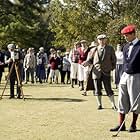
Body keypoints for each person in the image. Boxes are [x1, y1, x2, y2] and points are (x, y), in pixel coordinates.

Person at [110, 24, 140, 132]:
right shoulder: (126, 47)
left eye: (127, 35)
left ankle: (133, 124)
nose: (125, 37)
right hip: (125, 75)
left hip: (136, 76)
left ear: (133, 34)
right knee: (121, 99)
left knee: (135, 100)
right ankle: (121, 124)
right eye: (124, 36)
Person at [93, 34, 117, 110]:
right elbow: (90, 59)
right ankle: (99, 105)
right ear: (98, 40)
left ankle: (113, 105)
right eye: (100, 39)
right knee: (97, 89)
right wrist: (86, 62)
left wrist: (111, 68)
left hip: (106, 72)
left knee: (108, 89)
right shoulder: (94, 49)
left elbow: (114, 60)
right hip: (96, 72)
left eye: (103, 39)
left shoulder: (110, 48)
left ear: (106, 40)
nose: (102, 41)